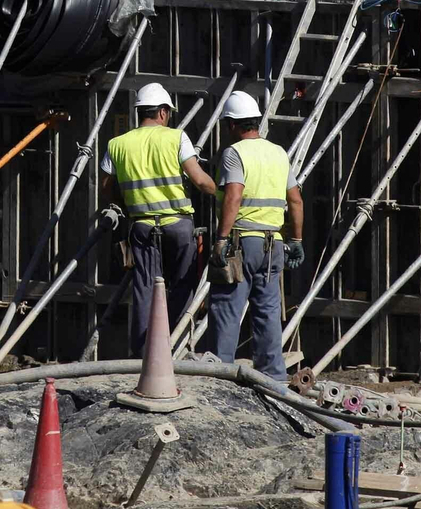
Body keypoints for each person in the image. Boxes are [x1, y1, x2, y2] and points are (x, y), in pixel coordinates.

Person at [98, 82, 217, 354]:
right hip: (178, 226)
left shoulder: (117, 144)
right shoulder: (176, 138)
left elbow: (105, 186)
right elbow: (200, 180)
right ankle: (175, 347)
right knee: (183, 285)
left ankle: (144, 354)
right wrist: (224, 194)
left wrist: (126, 205)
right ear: (163, 112)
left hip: (141, 226)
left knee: (144, 290)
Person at [207, 90, 305, 381]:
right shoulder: (279, 153)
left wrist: (221, 239)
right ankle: (273, 379)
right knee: (268, 312)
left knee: (227, 308)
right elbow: (295, 200)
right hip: (273, 246)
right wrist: (296, 240)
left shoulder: (234, 153)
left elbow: (233, 196)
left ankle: (221, 376)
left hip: (242, 243)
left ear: (231, 124)